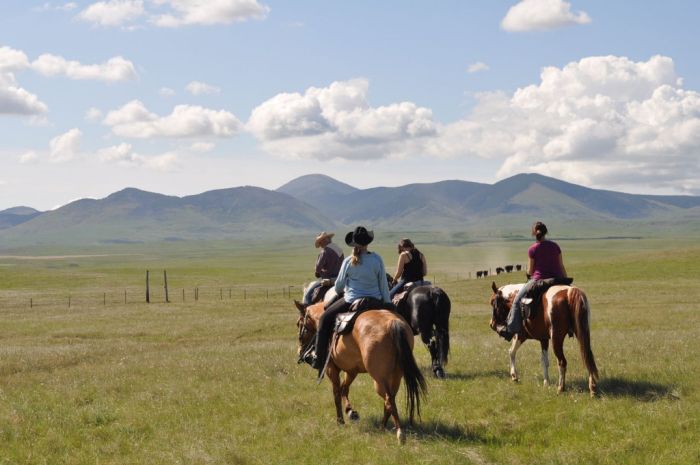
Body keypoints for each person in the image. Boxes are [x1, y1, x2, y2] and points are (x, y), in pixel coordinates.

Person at [308, 226, 391, 378]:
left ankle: (318, 359)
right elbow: (383, 285)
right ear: (367, 243)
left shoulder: (348, 261)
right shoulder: (377, 259)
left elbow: (339, 286)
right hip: (376, 301)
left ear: (353, 244)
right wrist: (388, 304)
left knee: (325, 319)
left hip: (351, 300)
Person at [499, 221, 568, 341]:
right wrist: (565, 280)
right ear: (546, 232)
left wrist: (528, 273)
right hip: (557, 279)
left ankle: (510, 330)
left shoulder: (532, 249)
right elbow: (561, 266)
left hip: (539, 280)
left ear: (534, 234)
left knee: (517, 300)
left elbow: (530, 271)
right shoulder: (556, 246)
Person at [302, 232, 344, 305]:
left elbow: (318, 268)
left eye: (320, 242)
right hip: (339, 278)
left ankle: (305, 308)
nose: (320, 245)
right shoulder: (339, 249)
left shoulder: (325, 251)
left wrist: (319, 272)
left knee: (308, 295)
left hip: (327, 278)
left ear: (324, 241)